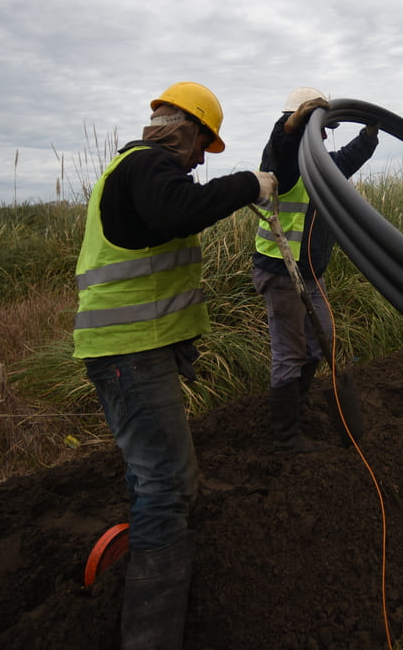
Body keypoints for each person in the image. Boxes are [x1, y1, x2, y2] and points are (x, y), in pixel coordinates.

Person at [74, 81, 276, 650]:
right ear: (186, 134)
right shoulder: (147, 167)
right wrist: (246, 184)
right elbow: (178, 210)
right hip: (129, 354)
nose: (195, 164)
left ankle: (142, 549)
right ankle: (151, 633)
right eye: (200, 149)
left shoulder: (135, 172)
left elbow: (168, 223)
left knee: (158, 472)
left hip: (135, 351)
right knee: (165, 485)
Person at [251, 87, 379, 452]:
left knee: (318, 341)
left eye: (324, 128)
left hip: (309, 272)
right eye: (317, 126)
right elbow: (280, 147)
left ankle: (298, 403)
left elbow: (347, 159)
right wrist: (291, 123)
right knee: (290, 351)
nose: (323, 135)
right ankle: (285, 436)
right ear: (302, 124)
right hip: (281, 270)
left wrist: (369, 135)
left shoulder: (321, 165)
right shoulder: (286, 161)